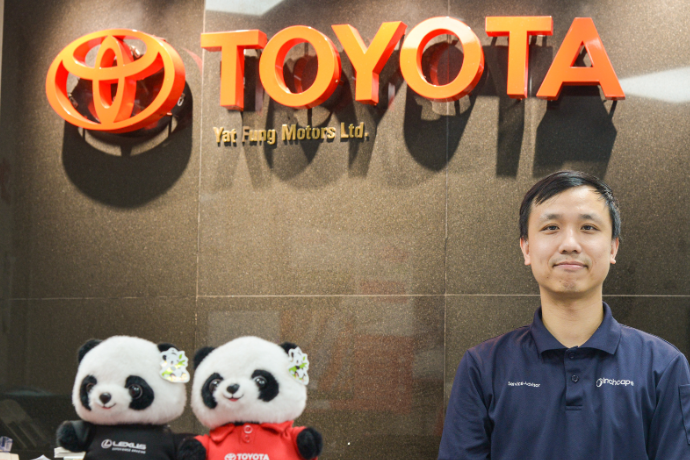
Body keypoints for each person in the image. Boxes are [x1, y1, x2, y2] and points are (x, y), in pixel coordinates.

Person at [438, 170, 690, 459]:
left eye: (588, 227)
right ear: (526, 248)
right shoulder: (483, 367)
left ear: (613, 247)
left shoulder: (663, 367)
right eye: (551, 227)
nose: (570, 244)